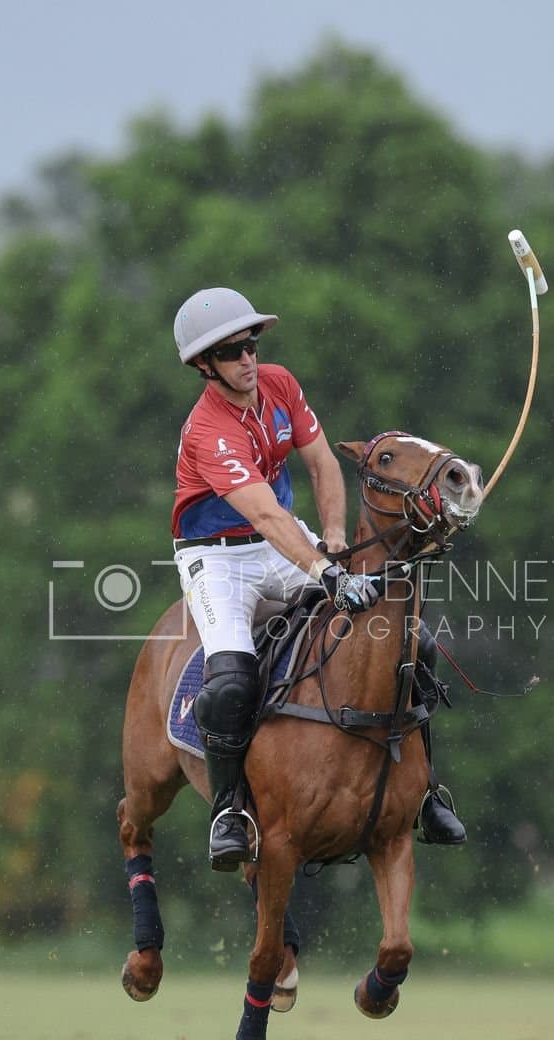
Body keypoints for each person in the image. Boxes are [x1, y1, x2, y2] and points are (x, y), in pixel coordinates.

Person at [171, 286, 466, 870]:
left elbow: (323, 463)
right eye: (232, 353)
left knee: (411, 644)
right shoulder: (209, 431)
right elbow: (263, 512)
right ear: (205, 366)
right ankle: (230, 811)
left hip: (288, 543)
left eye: (251, 344)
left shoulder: (279, 383)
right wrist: (323, 571)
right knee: (230, 683)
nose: (248, 360)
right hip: (219, 560)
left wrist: (332, 536)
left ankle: (425, 793)